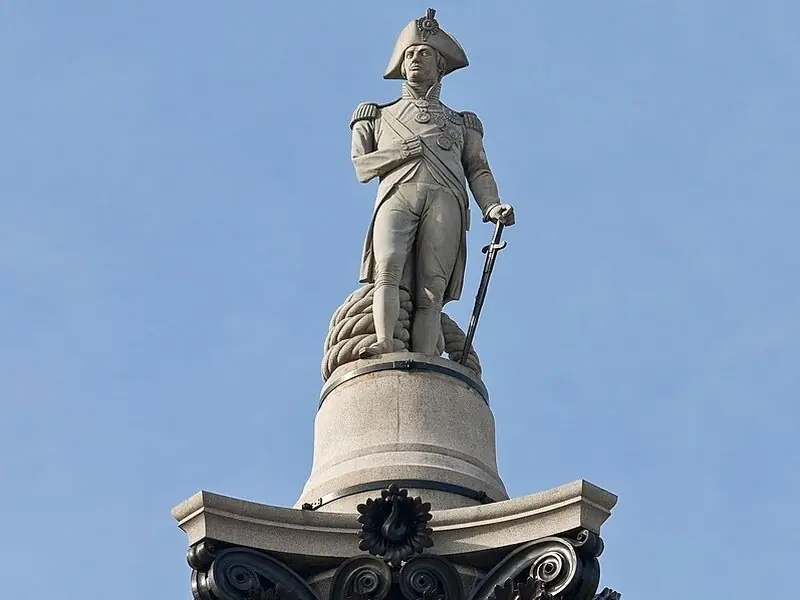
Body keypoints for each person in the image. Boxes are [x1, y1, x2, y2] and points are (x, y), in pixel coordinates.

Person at [351, 9, 515, 358]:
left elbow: (478, 169)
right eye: (409, 54)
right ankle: (384, 341)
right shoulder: (376, 115)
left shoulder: (462, 123)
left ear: (440, 65)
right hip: (397, 193)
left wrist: (492, 205)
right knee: (388, 268)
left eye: (424, 53)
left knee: (432, 287)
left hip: (447, 198)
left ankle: (427, 358)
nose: (415, 59)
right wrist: (405, 151)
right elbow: (363, 167)